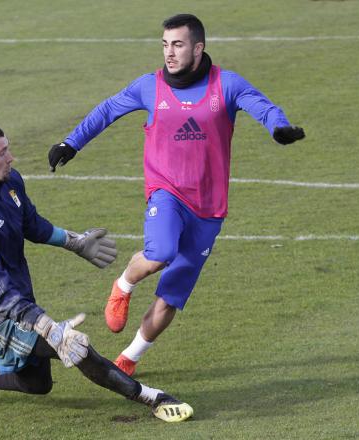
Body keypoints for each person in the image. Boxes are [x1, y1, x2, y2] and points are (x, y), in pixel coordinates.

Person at [48, 14, 305, 376]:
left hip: (209, 208)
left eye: (178, 45)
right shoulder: (149, 87)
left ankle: (130, 358)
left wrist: (278, 127)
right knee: (161, 252)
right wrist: (70, 142)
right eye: (165, 44)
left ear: (198, 48)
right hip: (166, 191)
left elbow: (260, 104)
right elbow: (107, 110)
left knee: (172, 295)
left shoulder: (226, 85)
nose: (169, 53)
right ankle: (123, 284)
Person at [0, 122, 193, 423]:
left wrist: (75, 242)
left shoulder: (7, 181)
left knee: (37, 384)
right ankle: (153, 398)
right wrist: (48, 328)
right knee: (76, 346)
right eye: (2, 152)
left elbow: (30, 223)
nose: (11, 158)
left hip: (13, 295)